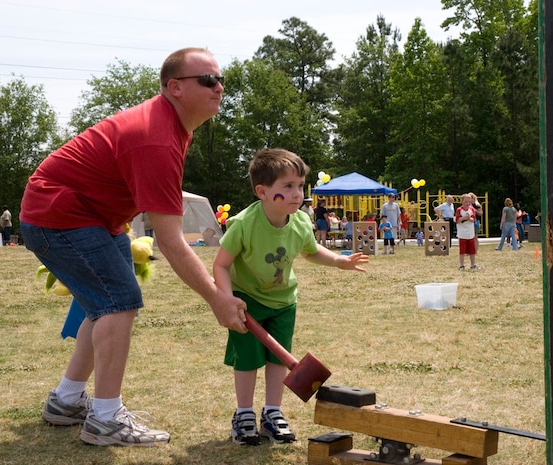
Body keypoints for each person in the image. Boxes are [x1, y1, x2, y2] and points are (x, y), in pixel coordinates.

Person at [19, 48, 248, 447]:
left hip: (88, 216)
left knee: (104, 302)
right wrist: (216, 299)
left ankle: (67, 401)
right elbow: (171, 241)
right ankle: (105, 420)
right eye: (208, 80)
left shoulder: (174, 126)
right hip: (59, 213)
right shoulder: (157, 138)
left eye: (220, 78)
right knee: (118, 301)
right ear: (174, 87)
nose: (219, 87)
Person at [212, 148, 368, 446]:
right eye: (288, 186)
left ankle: (273, 412)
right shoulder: (244, 223)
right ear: (263, 191)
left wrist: (338, 260)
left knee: (277, 359)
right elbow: (221, 264)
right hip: (247, 301)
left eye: (300, 186)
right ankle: (244, 414)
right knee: (246, 359)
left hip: (284, 302)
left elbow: (310, 251)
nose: (298, 194)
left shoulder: (298, 222)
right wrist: (227, 299)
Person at [455, 194, 477, 270]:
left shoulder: (472, 209)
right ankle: (461, 265)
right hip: (462, 234)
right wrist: (464, 218)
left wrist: (469, 218)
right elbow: (457, 220)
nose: (467, 203)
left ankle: (473, 264)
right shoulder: (459, 210)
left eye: (468, 201)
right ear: (462, 201)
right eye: (465, 201)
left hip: (470, 233)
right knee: (462, 251)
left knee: (472, 250)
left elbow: (473, 219)